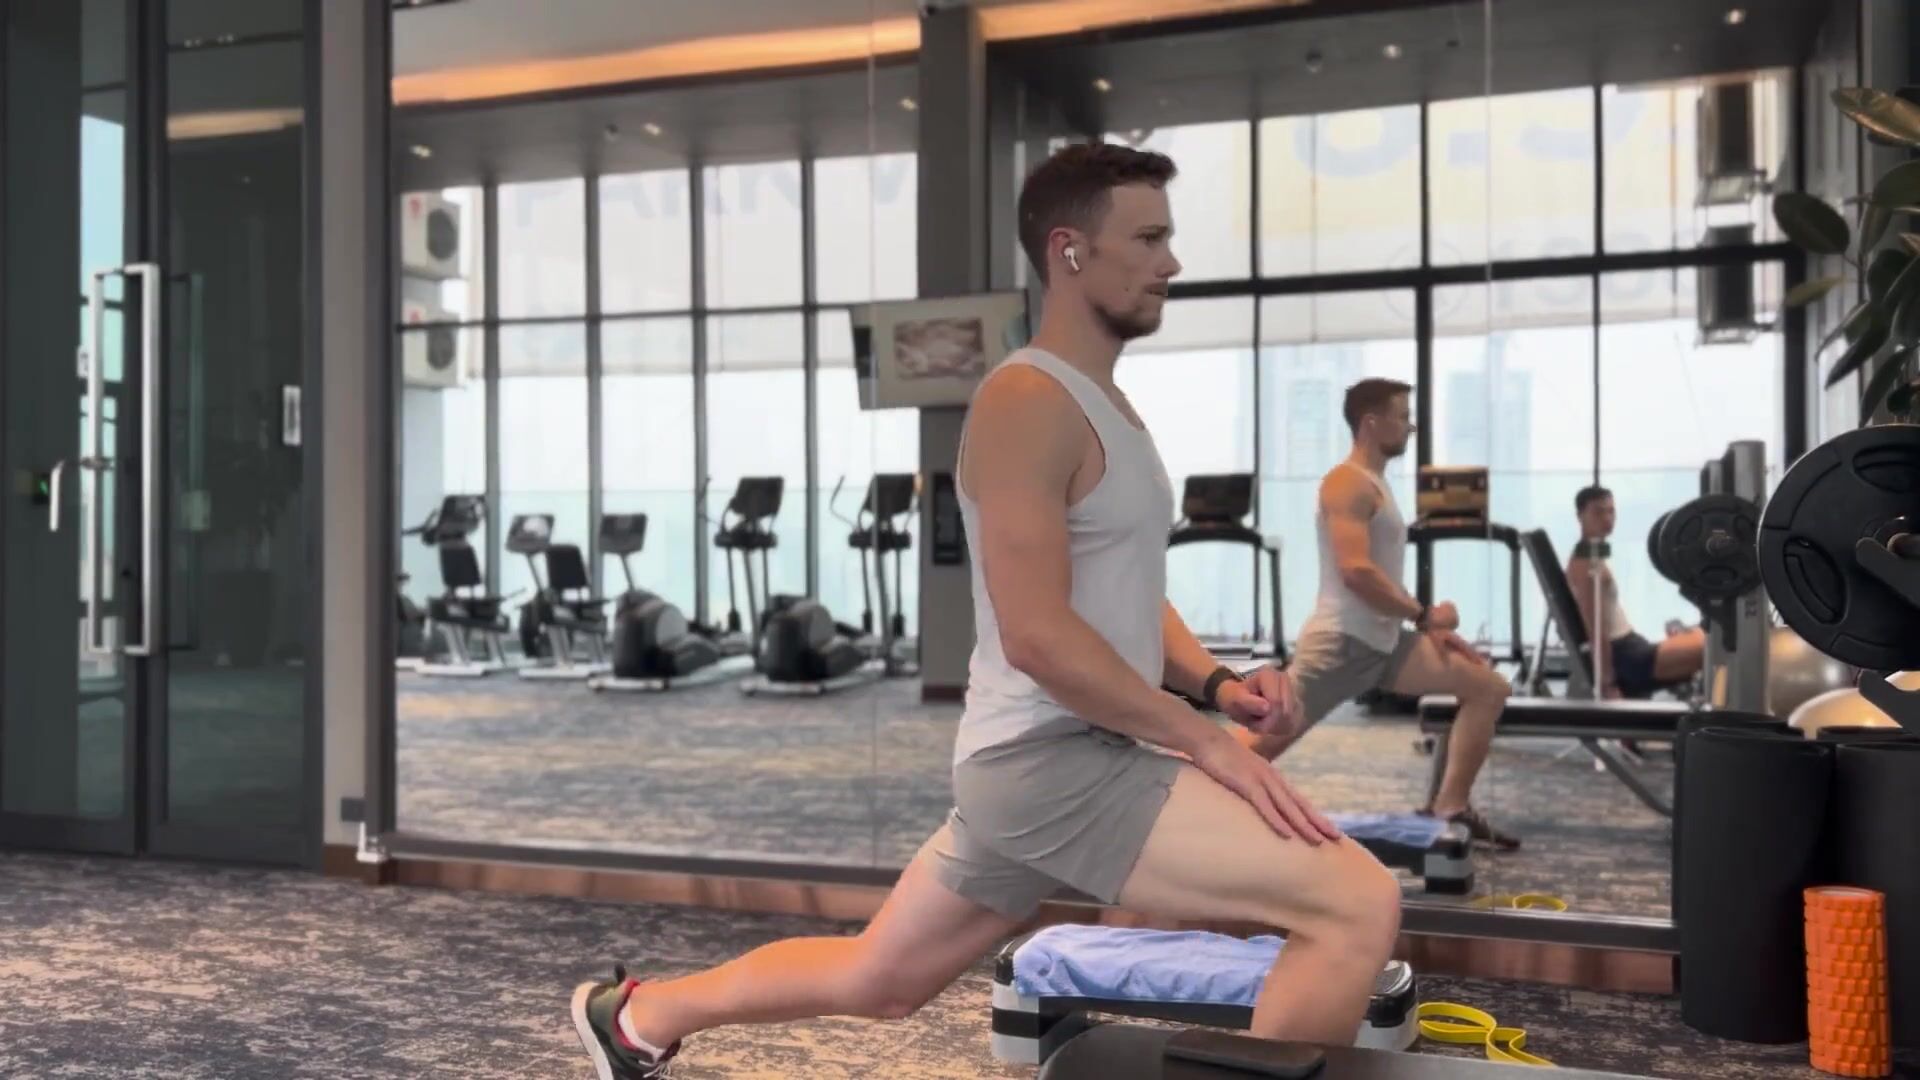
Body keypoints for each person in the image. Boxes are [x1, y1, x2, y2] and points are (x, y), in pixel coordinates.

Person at [567, 141, 1402, 1080]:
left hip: (1056, 758)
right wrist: (1205, 742)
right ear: (1069, 250)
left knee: (881, 978)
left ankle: (635, 1016)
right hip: (1053, 764)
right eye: (1149, 238)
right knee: (1353, 903)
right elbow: (1039, 636)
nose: (1171, 262)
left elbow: (1130, 595)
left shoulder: (1107, 405)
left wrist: (1216, 683)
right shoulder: (1025, 403)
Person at [1238, 379, 1519, 851]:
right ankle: (1180, 804)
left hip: (1383, 643)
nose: (1411, 426)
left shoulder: (1376, 484)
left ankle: (1450, 807)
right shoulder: (1347, 482)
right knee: (1255, 745)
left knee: (1487, 686)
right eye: (1403, 416)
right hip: (1342, 644)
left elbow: (1378, 574)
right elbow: (1357, 572)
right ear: (1371, 423)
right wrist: (1425, 615)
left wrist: (1423, 628)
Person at [1567, 485, 1705, 699]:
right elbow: (1595, 629)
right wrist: (1607, 683)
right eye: (1598, 512)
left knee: (1703, 632)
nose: (1607, 518)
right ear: (1580, 516)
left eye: (1611, 511)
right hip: (1626, 659)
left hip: (1633, 646)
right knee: (1713, 645)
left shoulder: (1593, 555)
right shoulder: (1585, 566)